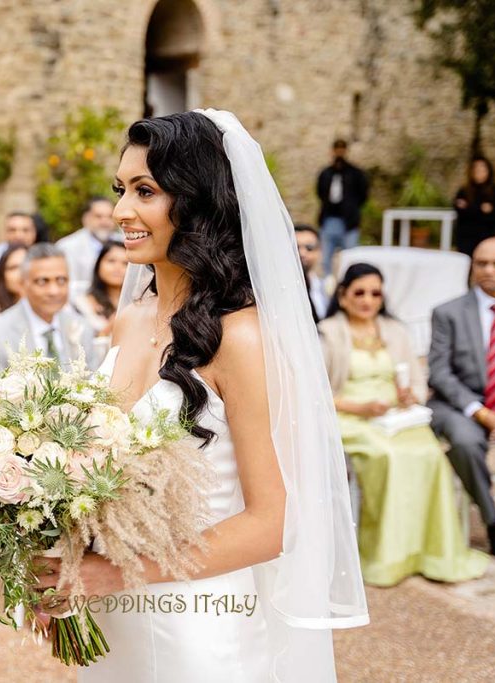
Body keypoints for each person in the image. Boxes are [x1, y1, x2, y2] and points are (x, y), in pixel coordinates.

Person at [38, 111, 367, 682]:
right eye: (121, 189)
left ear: (196, 202)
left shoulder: (241, 336)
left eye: (146, 191)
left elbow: (274, 521)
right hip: (115, 618)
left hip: (200, 623)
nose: (121, 211)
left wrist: (114, 574)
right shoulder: (131, 319)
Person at [319, 263, 489, 586]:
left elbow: (416, 377)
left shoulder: (394, 330)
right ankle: (385, 557)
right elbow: (316, 390)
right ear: (342, 296)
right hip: (347, 415)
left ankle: (430, 552)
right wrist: (361, 407)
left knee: (431, 455)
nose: (368, 300)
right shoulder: (328, 333)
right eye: (359, 293)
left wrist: (410, 394)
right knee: (389, 457)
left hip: (395, 415)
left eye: (375, 293)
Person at [428, 237, 495, 563]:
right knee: (465, 443)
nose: (488, 270)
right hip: (460, 407)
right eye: (481, 263)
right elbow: (439, 374)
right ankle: (494, 521)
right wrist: (481, 413)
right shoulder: (448, 313)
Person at [0, 243, 96, 372]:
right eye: (42, 281)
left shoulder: (81, 328)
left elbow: (94, 383)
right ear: (23, 284)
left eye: (61, 280)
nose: (53, 291)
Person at [316, 139, 369, 276]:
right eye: (337, 149)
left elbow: (363, 195)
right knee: (326, 258)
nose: (339, 153)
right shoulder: (326, 173)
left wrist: (351, 209)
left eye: (342, 149)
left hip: (348, 222)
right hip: (329, 219)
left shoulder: (355, 174)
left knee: (351, 258)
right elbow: (320, 192)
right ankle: (326, 286)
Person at [453, 156, 495, 257]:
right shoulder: (464, 191)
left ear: (489, 171)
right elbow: (459, 211)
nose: (479, 173)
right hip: (466, 239)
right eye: (476, 169)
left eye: (482, 169)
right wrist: (481, 210)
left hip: (486, 238)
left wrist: (469, 208)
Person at [56, 197, 118, 283]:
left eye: (110, 217)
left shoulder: (123, 242)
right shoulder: (67, 246)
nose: (105, 222)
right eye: (98, 216)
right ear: (86, 218)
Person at [75, 241, 127, 336]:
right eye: (111, 261)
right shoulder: (83, 303)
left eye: (125, 263)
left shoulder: (139, 302)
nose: (118, 268)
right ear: (98, 264)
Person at [0, 211, 37, 285]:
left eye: (25, 230)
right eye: (12, 230)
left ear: (34, 233)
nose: (19, 235)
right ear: (5, 232)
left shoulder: (41, 256)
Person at [295, 224, 330, 322]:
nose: (302, 253)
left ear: (320, 251)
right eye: (295, 247)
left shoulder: (325, 286)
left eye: (309, 248)